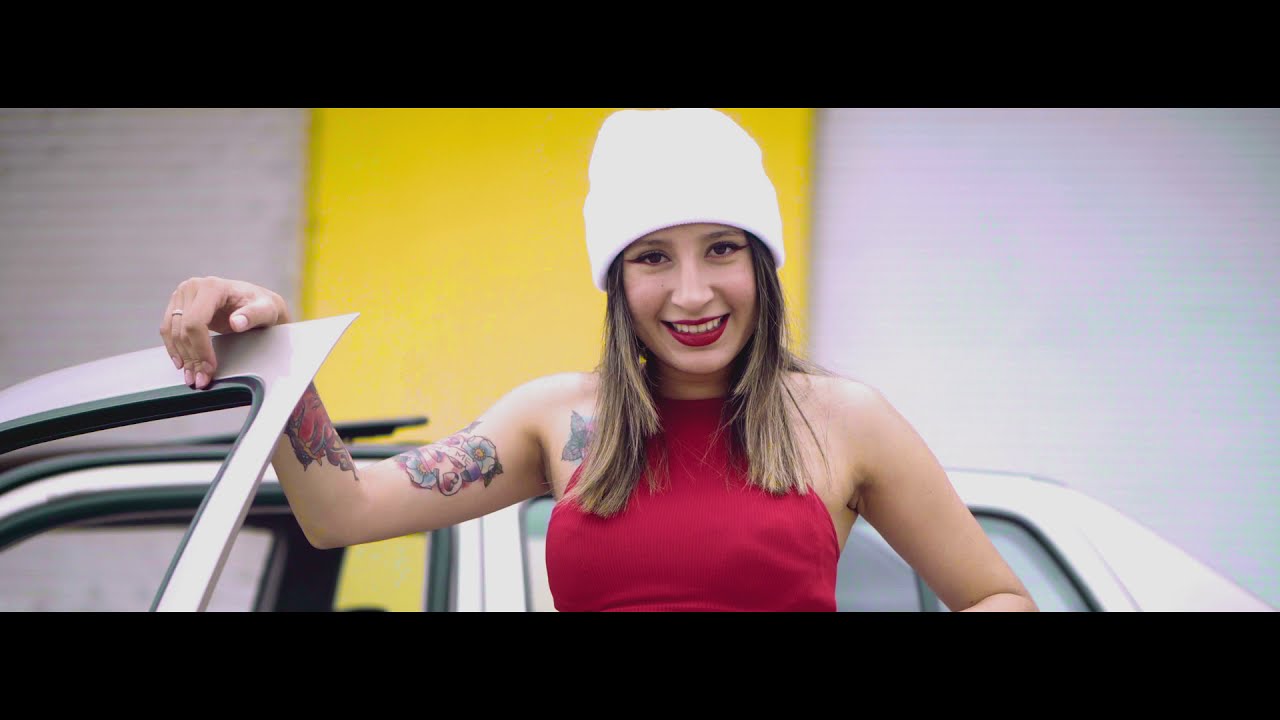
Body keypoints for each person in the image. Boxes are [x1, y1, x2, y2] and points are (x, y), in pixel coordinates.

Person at [158, 108, 1037, 612]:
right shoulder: (556, 420)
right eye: (653, 257)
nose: (691, 293)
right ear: (617, 282)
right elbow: (340, 511)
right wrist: (271, 346)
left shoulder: (845, 421)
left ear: (761, 266)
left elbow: (997, 598)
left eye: (722, 248)